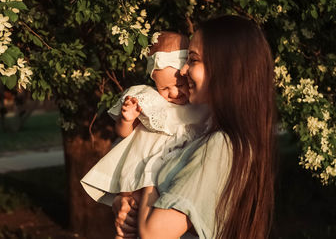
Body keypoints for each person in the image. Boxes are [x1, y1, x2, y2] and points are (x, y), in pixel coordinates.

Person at [113, 15, 276, 239]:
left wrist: (148, 175)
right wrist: (129, 205)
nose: (182, 70)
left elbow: (154, 233)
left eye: (193, 60)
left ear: (225, 69)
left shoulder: (222, 146)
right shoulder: (212, 137)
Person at [80, 32, 210, 222]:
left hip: (171, 173)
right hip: (141, 169)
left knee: (154, 215)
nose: (174, 93)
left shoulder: (198, 107)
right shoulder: (148, 100)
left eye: (179, 84)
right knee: (129, 210)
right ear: (154, 82)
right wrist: (127, 119)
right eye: (164, 88)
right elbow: (124, 134)